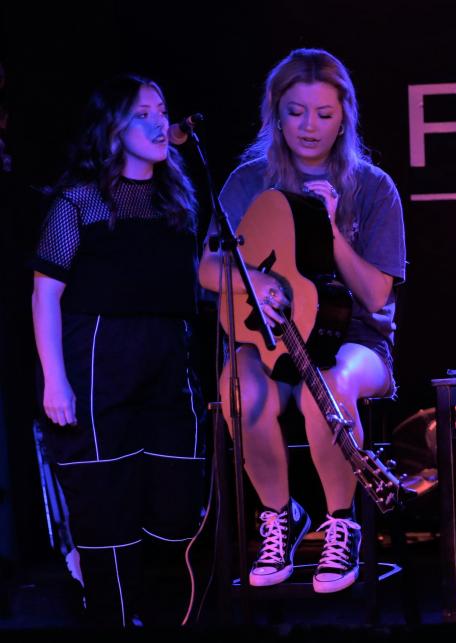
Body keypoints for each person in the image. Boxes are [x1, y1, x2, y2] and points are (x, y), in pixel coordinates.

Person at [198, 48, 406, 593]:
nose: (309, 126)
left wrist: (332, 230)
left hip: (354, 342)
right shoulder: (248, 182)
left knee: (330, 387)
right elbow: (208, 267)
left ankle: (342, 524)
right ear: (276, 112)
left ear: (344, 116)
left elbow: (376, 293)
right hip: (269, 343)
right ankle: (280, 517)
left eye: (323, 113)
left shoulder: (374, 187)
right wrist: (253, 281)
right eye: (295, 112)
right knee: (237, 386)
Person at [31, 74, 205, 625]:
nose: (159, 123)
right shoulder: (78, 202)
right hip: (98, 365)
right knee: (109, 515)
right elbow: (45, 293)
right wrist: (54, 380)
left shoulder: (178, 200)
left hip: (168, 365)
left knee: (176, 512)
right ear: (112, 128)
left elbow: (192, 278)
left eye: (162, 109)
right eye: (142, 113)